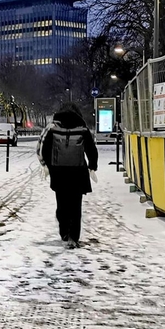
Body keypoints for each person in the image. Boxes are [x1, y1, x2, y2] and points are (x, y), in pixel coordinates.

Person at [39, 102, 98, 248]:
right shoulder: (83, 128)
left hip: (59, 173)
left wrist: (45, 165)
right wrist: (92, 167)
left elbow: (43, 147)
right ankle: (74, 237)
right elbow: (91, 149)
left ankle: (64, 231)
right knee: (76, 205)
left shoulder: (52, 127)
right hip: (78, 173)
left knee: (62, 203)